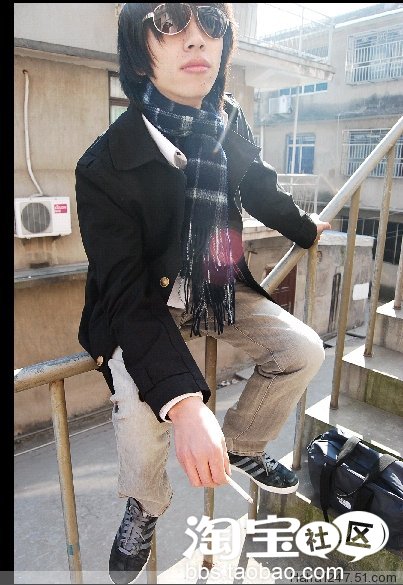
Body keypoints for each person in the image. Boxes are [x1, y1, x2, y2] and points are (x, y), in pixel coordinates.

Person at [75, 3, 331, 583]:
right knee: (141, 411)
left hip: (216, 286)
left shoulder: (227, 118)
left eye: (211, 24)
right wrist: (187, 404)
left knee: (301, 349)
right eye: (170, 24)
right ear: (140, 52)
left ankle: (244, 442)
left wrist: (303, 229)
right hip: (145, 304)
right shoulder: (104, 164)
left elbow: (257, 186)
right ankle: (145, 502)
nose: (196, 41)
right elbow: (126, 293)